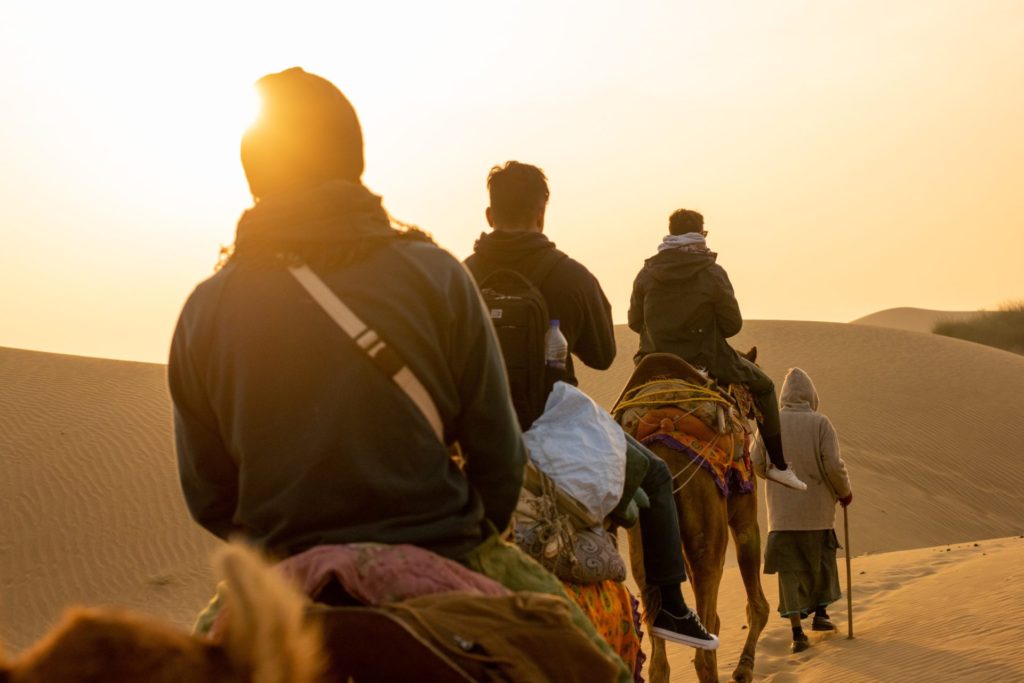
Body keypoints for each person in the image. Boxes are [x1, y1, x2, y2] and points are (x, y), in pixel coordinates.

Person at [169, 67, 529, 566]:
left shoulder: (204, 310)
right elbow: (501, 460)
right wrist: (463, 546)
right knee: (575, 640)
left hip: (286, 587)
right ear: (355, 158)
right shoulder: (437, 277)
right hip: (441, 557)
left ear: (253, 174)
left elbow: (209, 496)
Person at [465, 162, 718, 650]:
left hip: (475, 427)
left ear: (490, 212)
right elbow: (602, 356)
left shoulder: (458, 276)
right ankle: (670, 607)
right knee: (658, 477)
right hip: (556, 423)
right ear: (543, 213)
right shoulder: (569, 275)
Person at [628, 209, 807, 491]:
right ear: (701, 233)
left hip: (653, 365)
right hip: (706, 361)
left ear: (670, 234)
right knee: (766, 387)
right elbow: (732, 325)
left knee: (619, 414)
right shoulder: (711, 272)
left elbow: (634, 322)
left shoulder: (646, 273)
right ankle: (778, 466)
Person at [751, 367, 853, 654]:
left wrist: (773, 476)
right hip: (818, 512)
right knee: (820, 562)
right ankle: (821, 614)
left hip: (782, 516)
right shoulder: (821, 423)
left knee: (789, 572)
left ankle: (797, 633)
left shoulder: (769, 422)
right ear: (811, 395)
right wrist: (845, 492)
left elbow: (755, 461)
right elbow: (833, 465)